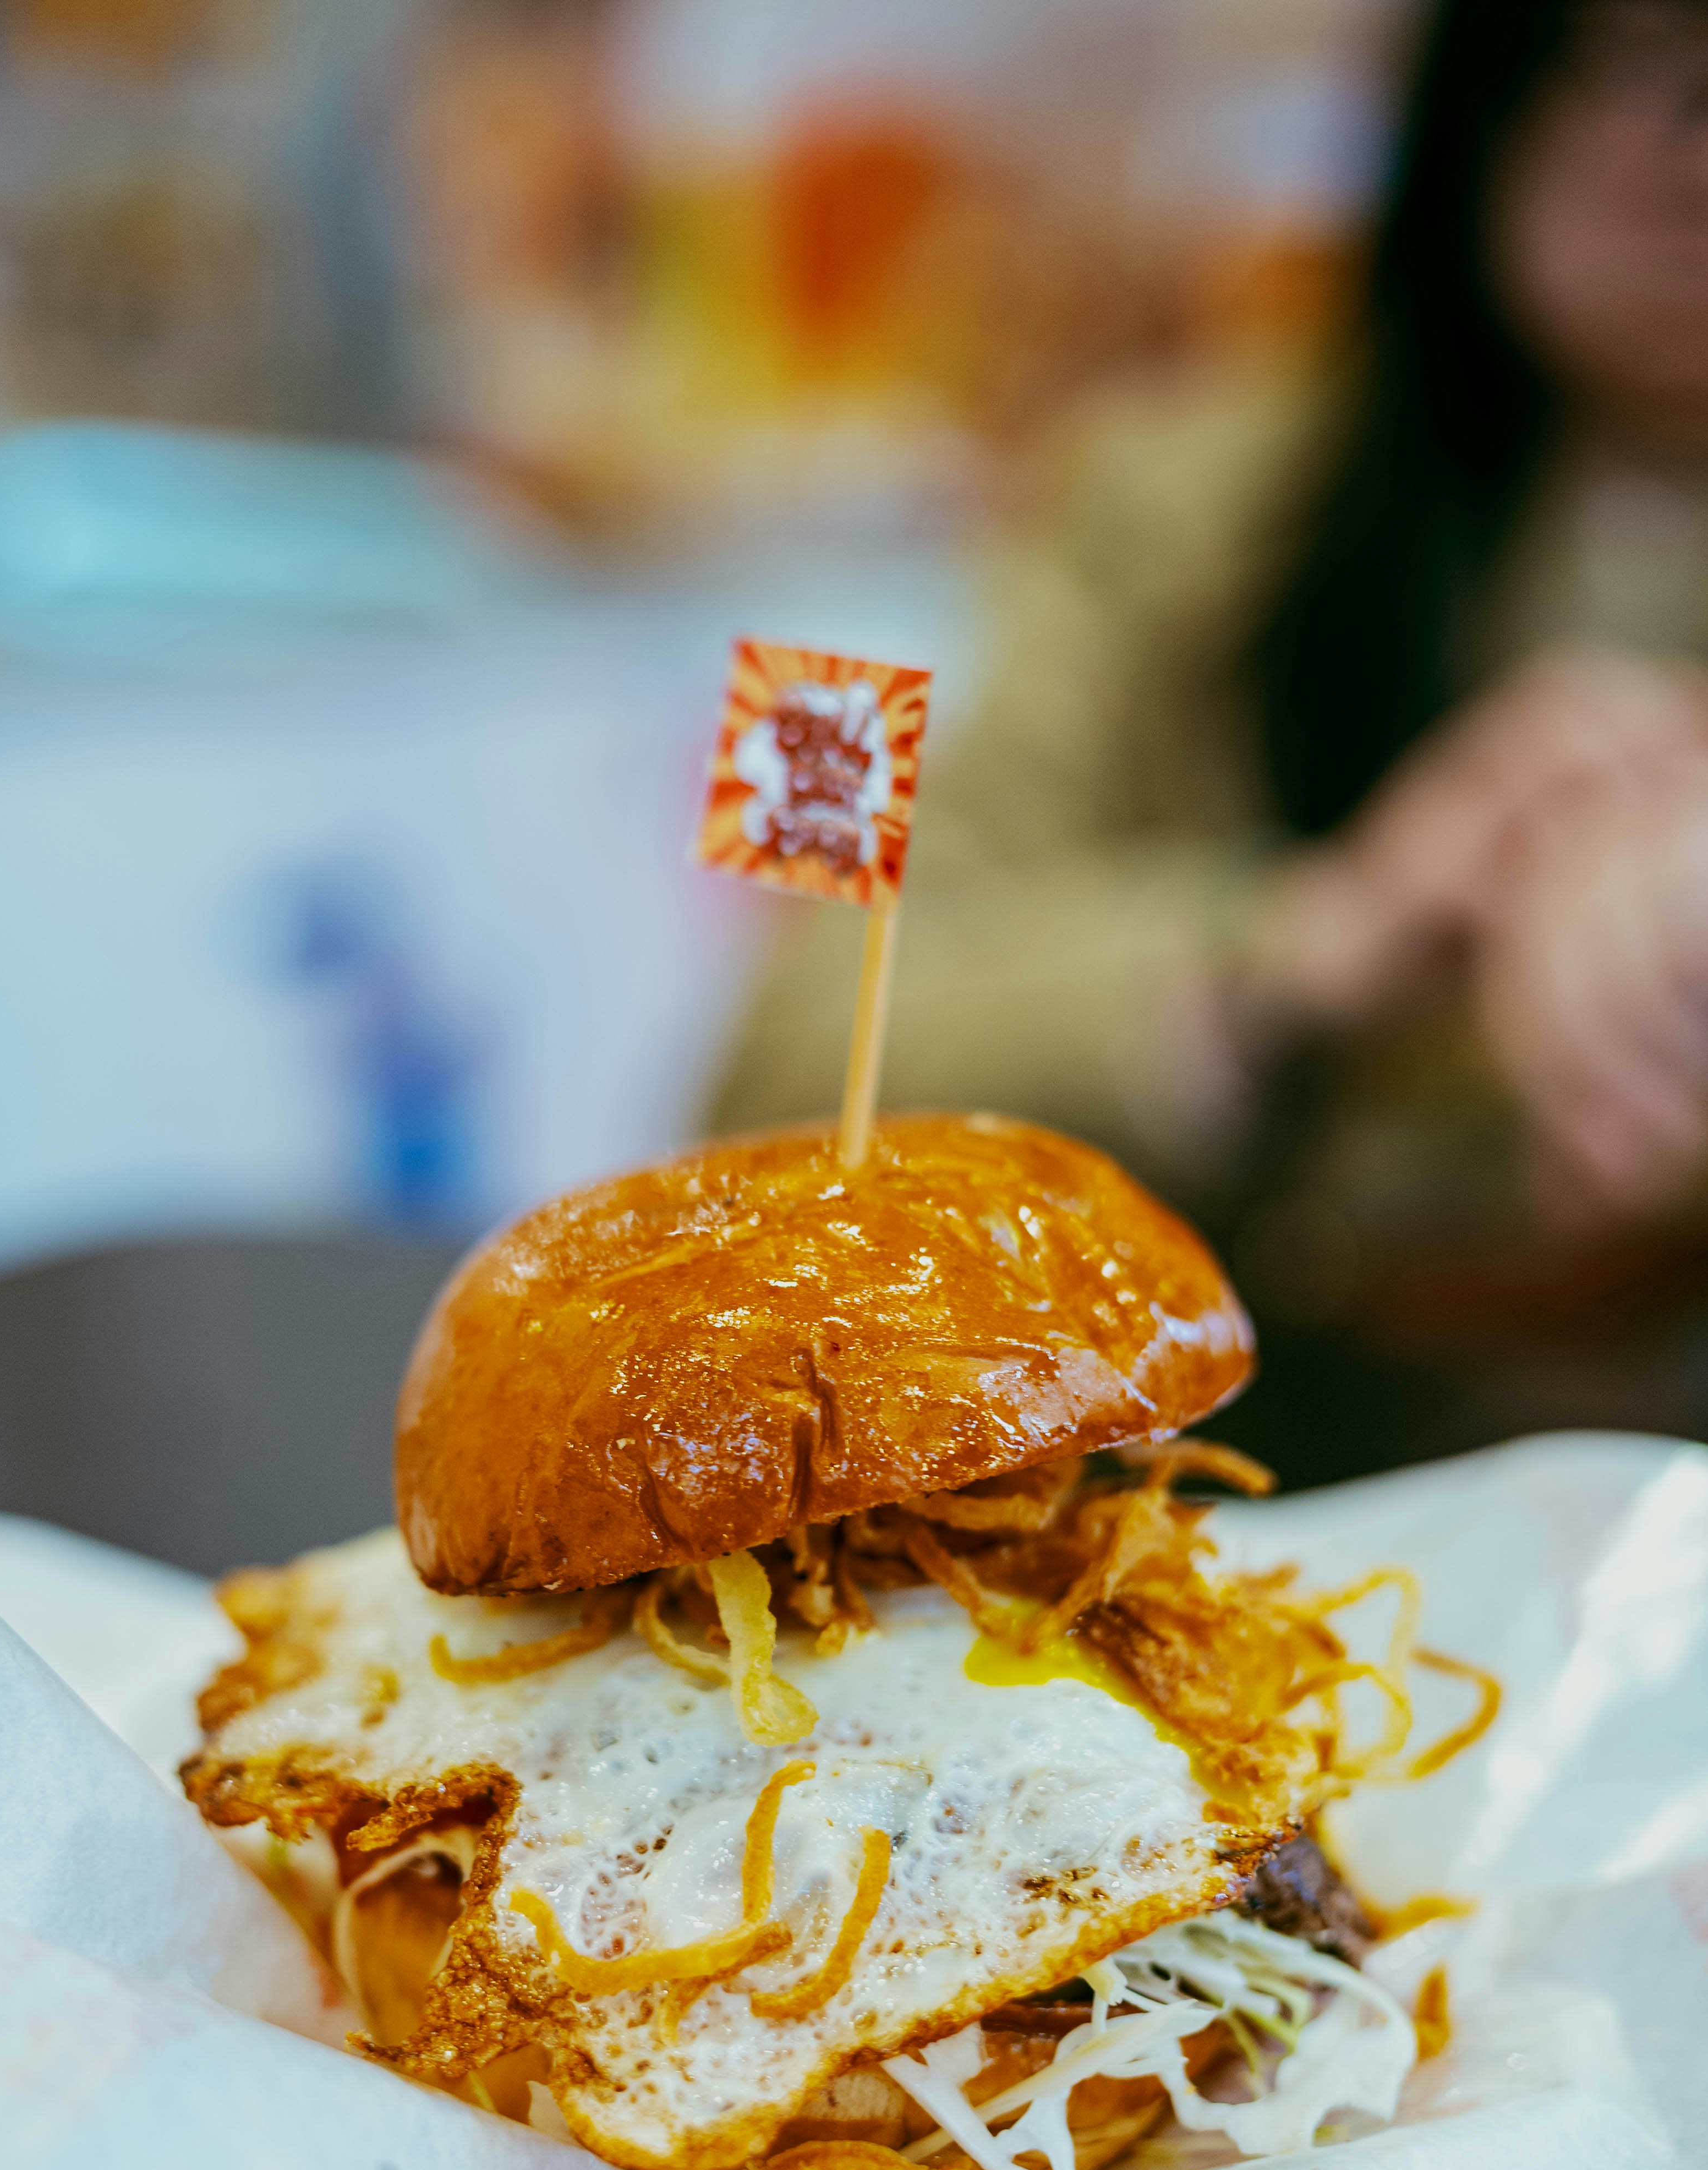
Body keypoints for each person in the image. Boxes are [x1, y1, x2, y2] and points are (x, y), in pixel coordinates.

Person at [710, 0, 1708, 1484]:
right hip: (1207, 1484)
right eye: (1613, 50)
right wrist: (1305, 943)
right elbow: (782, 1069)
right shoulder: (1169, 500)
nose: (1676, 133)